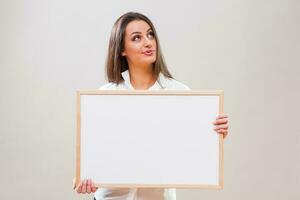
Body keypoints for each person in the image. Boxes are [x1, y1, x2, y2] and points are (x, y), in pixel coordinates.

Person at [73, 12, 229, 200]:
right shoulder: (105, 95)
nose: (148, 42)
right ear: (122, 49)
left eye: (150, 34)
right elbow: (93, 156)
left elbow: (191, 150)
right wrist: (83, 178)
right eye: (136, 38)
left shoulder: (179, 93)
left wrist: (214, 135)